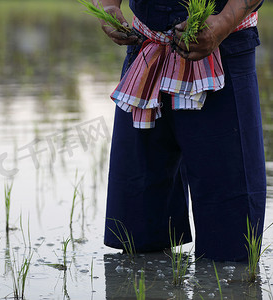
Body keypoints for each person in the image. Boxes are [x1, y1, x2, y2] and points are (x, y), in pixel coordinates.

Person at [96, 0, 266, 261]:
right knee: (137, 234)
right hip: (145, 50)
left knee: (232, 242)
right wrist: (106, 8)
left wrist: (222, 23)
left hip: (223, 48)